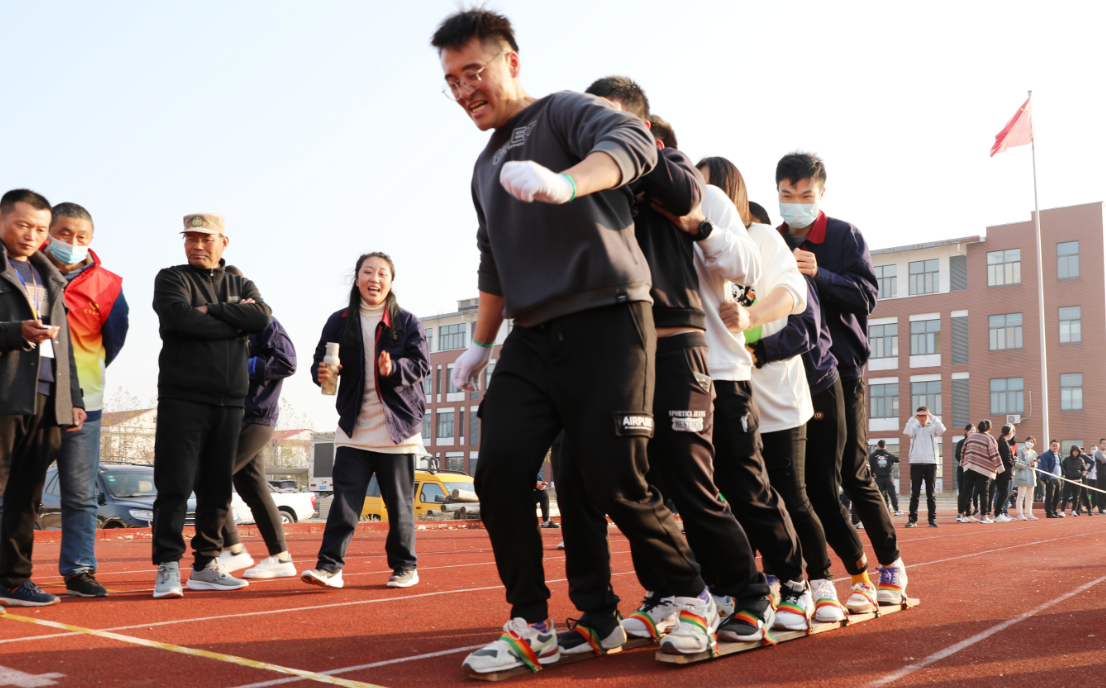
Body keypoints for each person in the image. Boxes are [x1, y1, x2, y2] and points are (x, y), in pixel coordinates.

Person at [432, 10, 717, 671]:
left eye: (473, 73)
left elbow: (635, 144)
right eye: (451, 83)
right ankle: (530, 622)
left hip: (610, 318)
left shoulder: (564, 111)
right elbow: (493, 261)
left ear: (511, 62)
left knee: (614, 478)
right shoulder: (484, 166)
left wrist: (566, 183)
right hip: (532, 338)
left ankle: (690, 595)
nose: (465, 91)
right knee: (499, 474)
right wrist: (479, 345)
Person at [554, 79, 770, 654]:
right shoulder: (591, 182)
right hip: (608, 354)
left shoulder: (680, 178)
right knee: (590, 479)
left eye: (609, 118)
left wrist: (697, 225)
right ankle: (611, 610)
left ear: (642, 128)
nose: (596, 130)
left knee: (689, 480)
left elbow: (748, 267)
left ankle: (749, 595)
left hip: (678, 348)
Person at [775, 152, 908, 607]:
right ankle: (807, 578)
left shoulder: (843, 235)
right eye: (787, 195)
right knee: (801, 483)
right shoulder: (772, 241)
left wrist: (821, 273)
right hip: (791, 376)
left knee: (852, 472)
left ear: (821, 193)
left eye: (805, 195)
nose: (795, 203)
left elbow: (867, 296)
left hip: (843, 372)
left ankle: (890, 564)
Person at [150, 213, 271, 599]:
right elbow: (178, 317)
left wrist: (210, 310)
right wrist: (234, 321)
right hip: (182, 396)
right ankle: (168, 565)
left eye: (205, 238)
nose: (197, 245)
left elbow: (261, 317)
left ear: (223, 242)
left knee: (217, 488)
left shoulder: (241, 282)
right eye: (190, 238)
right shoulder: (171, 278)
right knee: (174, 484)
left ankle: (205, 564)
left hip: (231, 400)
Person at [301, 253, 429, 590]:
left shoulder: (406, 321)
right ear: (357, 279)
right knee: (343, 503)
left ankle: (405, 567)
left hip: (397, 428)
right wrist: (322, 371)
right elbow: (319, 361)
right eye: (368, 272)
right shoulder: (339, 321)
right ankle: (329, 568)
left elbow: (421, 365)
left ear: (390, 281)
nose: (375, 278)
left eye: (382, 273)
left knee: (399, 507)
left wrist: (393, 368)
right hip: (354, 427)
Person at [0, 189, 86, 607]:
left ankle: (14, 581)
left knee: (26, 496)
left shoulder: (50, 276)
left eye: (39, 229)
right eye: (22, 225)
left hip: (48, 398)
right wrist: (14, 333)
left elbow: (64, 344)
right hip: (5, 394)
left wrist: (74, 397)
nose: (31, 235)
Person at [42, 202, 129, 598]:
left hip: (85, 406)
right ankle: (12, 573)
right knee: (16, 491)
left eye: (81, 237)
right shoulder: (23, 271)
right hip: (32, 399)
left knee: (80, 494)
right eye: (63, 234)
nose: (71, 242)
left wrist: (84, 375)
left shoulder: (109, 285)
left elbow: (113, 341)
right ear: (48, 232)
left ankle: (79, 571)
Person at [215, 266, 298, 579]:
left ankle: (233, 549)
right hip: (230, 416)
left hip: (254, 416)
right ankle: (281, 558)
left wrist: (244, 365)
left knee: (208, 477)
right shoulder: (221, 325)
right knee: (254, 490)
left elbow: (287, 361)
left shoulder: (265, 323)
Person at [903, 406, 944, 528]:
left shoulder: (933, 428)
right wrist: (912, 418)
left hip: (931, 463)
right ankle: (912, 519)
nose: (922, 418)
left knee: (930, 493)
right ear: (917, 416)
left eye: (924, 415)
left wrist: (932, 416)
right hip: (916, 463)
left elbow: (942, 429)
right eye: (920, 416)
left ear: (928, 416)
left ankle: (932, 519)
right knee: (915, 493)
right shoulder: (914, 428)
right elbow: (906, 432)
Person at [959, 420, 1004, 524]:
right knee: (984, 492)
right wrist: (1000, 468)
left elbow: (963, 451)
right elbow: (994, 453)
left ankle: (960, 515)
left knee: (966, 491)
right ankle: (984, 516)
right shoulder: (989, 438)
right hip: (983, 469)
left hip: (969, 467)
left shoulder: (970, 437)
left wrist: (963, 463)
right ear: (989, 428)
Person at [991, 425, 1016, 522]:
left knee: (1003, 493)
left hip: (1000, 471)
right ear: (1010, 433)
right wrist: (1013, 462)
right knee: (1004, 493)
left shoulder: (1000, 442)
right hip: (1005, 472)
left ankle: (1000, 513)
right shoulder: (1004, 443)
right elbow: (1006, 458)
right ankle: (998, 514)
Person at [869, 441, 900, 515]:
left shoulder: (873, 455)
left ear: (878, 446)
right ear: (885, 446)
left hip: (878, 477)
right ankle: (896, 510)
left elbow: (870, 466)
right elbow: (898, 459)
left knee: (880, 495)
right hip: (889, 477)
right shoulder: (889, 454)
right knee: (892, 494)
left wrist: (871, 476)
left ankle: (881, 510)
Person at [1012, 436, 1038, 520]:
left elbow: (1036, 464)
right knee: (1021, 495)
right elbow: (1018, 463)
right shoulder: (1020, 450)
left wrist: (1033, 463)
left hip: (1031, 476)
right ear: (1025, 441)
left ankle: (1028, 513)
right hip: (1022, 475)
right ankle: (1019, 513)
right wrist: (1028, 462)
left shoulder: (1034, 452)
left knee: (1030, 496)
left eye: (1032, 442)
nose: (1030, 443)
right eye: (1029, 441)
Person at [954, 425, 975, 521]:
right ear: (966, 431)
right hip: (962, 469)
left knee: (970, 492)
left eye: (974, 430)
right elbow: (957, 455)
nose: (973, 431)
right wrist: (966, 463)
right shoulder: (961, 442)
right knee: (963, 491)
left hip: (972, 470)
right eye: (971, 430)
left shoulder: (975, 443)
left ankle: (969, 513)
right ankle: (961, 513)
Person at [1060, 446, 1089, 516]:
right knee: (1066, 496)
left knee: (1076, 496)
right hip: (1068, 480)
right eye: (1074, 451)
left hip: (1078, 480)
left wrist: (1081, 474)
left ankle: (1074, 511)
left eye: (1077, 451)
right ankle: (1062, 511)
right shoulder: (1066, 459)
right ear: (1071, 451)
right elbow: (1062, 468)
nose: (1075, 452)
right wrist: (1066, 474)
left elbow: (1084, 469)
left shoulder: (1081, 460)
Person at [1038, 440, 1063, 518]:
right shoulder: (1046, 455)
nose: (1055, 447)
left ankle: (1054, 511)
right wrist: (1048, 477)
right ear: (1050, 446)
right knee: (1050, 496)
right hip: (1051, 478)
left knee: (1057, 496)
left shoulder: (1058, 455)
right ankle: (1049, 512)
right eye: (1053, 445)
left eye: (1056, 446)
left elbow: (1060, 466)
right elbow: (1044, 467)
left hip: (1058, 478)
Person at [1095, 440, 1106, 514]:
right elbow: (1104, 460)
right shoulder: (1098, 452)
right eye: (1103, 443)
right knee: (1102, 490)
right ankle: (1101, 507)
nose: (1105, 445)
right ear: (1100, 444)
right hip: (1102, 474)